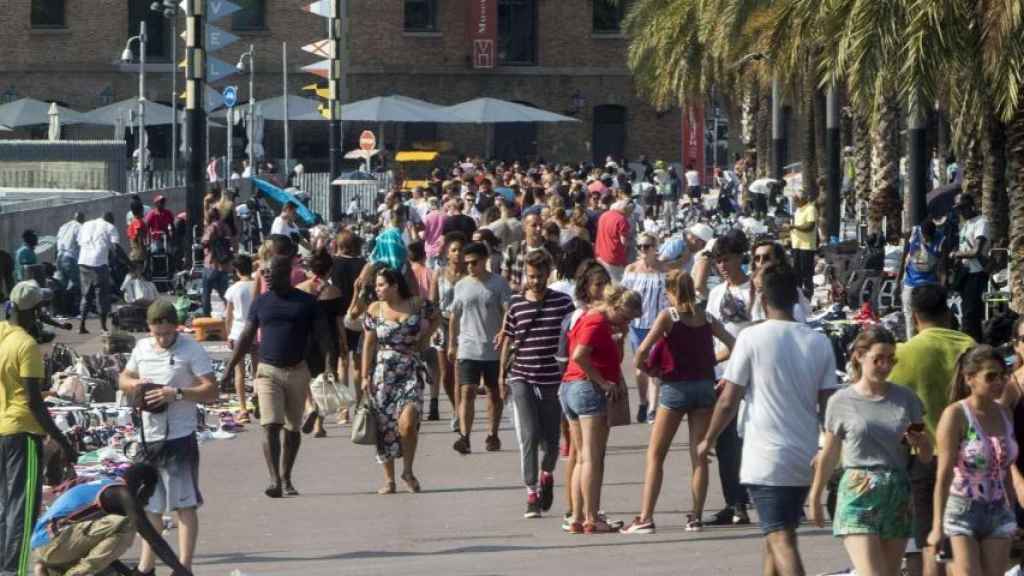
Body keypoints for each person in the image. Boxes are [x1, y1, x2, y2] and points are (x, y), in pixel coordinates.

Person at [697, 265, 838, 576]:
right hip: (804, 455)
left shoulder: (751, 338)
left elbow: (728, 399)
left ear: (761, 299)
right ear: (796, 300)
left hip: (765, 457)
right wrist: (831, 449)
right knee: (774, 536)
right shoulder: (818, 342)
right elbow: (829, 405)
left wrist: (708, 438)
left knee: (780, 537)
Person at [808, 326, 931, 576]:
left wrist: (920, 441)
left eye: (891, 359)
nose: (885, 366)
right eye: (879, 359)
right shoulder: (841, 401)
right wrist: (815, 496)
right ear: (859, 356)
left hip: (897, 491)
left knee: (890, 573)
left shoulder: (906, 398)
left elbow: (925, 454)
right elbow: (830, 452)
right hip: (858, 490)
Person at [622, 270, 735, 534]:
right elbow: (732, 344)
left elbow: (641, 351)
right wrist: (711, 360)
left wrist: (651, 371)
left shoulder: (669, 317)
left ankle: (646, 516)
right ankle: (695, 516)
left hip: (675, 388)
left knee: (656, 454)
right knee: (699, 455)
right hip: (704, 387)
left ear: (670, 291)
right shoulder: (706, 317)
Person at [221, 255, 337, 499]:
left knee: (292, 429)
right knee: (270, 425)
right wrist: (230, 367)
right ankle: (274, 479)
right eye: (264, 273)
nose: (266, 276)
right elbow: (246, 335)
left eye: (270, 272)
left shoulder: (306, 303)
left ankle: (286, 477)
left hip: (297, 371)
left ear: (286, 273)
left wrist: (329, 366)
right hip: (267, 372)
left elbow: (324, 336)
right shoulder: (261, 302)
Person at [117, 300, 218, 575]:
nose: (162, 338)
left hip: (179, 437)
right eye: (156, 332)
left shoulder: (191, 349)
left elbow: (211, 390)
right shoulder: (142, 347)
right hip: (148, 438)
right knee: (151, 508)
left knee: (184, 506)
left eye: (167, 332)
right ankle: (146, 566)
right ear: (149, 328)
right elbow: (123, 377)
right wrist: (135, 386)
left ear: (176, 326)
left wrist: (178, 393)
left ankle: (183, 567)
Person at [886, 284, 975, 576]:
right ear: (948, 314)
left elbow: (894, 411)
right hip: (970, 459)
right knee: (964, 540)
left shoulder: (904, 354)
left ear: (914, 317)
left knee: (929, 542)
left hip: (925, 459)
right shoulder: (970, 347)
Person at [0, 282, 76, 576]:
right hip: (23, 434)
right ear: (35, 312)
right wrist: (61, 441)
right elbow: (33, 401)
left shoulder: (3, 335)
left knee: (5, 506)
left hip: (2, 429)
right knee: (22, 509)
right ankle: (14, 572)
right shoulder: (27, 346)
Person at [930, 345, 1017, 576]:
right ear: (970, 378)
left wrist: (1014, 511)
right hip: (961, 509)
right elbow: (944, 474)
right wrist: (937, 525)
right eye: (991, 376)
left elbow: (1005, 470)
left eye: (1003, 375)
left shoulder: (1005, 413)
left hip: (999, 510)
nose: (999, 382)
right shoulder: (956, 415)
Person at [500, 250, 574, 519]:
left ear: (548, 274)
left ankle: (547, 474)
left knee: (552, 441)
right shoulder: (516, 304)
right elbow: (508, 340)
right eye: (531, 276)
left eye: (540, 276)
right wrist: (501, 376)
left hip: (553, 379)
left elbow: (572, 335)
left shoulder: (564, 303)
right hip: (522, 376)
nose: (535, 281)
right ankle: (531, 493)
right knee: (529, 435)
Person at [562, 285, 642, 533]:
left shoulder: (596, 320)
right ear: (615, 306)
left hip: (572, 388)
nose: (627, 321)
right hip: (586, 390)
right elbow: (579, 355)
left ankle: (576, 517)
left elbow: (611, 359)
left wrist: (620, 334)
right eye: (626, 316)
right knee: (592, 459)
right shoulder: (596, 322)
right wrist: (602, 382)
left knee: (582, 457)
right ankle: (590, 517)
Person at [30, 465, 192, 576]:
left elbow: (104, 547)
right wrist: (182, 571)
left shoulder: (108, 487)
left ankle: (51, 568)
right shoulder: (120, 495)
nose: (148, 500)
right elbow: (154, 540)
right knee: (129, 523)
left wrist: (126, 572)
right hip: (52, 545)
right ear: (142, 486)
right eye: (149, 494)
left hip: (50, 545)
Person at [362, 267, 439, 494]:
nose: (378, 289)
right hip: (383, 373)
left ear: (395, 285)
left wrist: (424, 339)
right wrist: (365, 376)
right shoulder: (375, 309)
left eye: (382, 285)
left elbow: (437, 317)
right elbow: (368, 344)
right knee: (384, 425)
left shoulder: (417, 304)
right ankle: (389, 479)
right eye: (376, 285)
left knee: (408, 422)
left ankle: (408, 470)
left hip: (410, 368)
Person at [703, 229, 753, 526]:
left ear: (739, 259)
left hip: (751, 376)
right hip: (721, 376)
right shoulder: (716, 293)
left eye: (726, 259)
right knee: (725, 443)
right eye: (717, 261)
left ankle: (755, 497)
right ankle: (734, 504)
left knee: (750, 439)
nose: (722, 265)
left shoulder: (753, 291)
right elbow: (709, 330)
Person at [449, 242, 512, 454]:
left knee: (494, 393)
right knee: (467, 390)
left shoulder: (499, 284)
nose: (469, 267)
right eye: (466, 263)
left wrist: (505, 335)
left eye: (474, 262)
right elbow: (454, 316)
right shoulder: (461, 285)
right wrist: (451, 343)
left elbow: (508, 311)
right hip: (468, 347)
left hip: (493, 348)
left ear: (485, 261)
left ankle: (492, 434)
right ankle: (464, 437)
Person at [297, 249, 349, 438]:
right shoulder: (334, 292)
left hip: (305, 339)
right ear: (330, 270)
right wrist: (343, 345)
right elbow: (339, 322)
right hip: (328, 341)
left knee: (305, 377)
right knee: (323, 381)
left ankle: (309, 406)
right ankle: (319, 425)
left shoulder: (300, 289)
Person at [621, 233, 668, 423]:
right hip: (637, 326)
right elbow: (624, 296)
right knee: (640, 368)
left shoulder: (664, 270)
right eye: (639, 246)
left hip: (657, 325)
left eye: (647, 246)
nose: (642, 250)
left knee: (654, 367)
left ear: (655, 247)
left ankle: (652, 408)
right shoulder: (631, 269)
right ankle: (642, 402)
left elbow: (669, 296)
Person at [429, 232, 467, 432]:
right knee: (446, 374)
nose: (457, 254)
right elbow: (432, 303)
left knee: (460, 372)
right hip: (442, 323)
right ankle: (455, 407)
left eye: (460, 250)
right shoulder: (439, 273)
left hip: (463, 325)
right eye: (454, 250)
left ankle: (460, 413)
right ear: (447, 253)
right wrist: (433, 326)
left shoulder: (470, 275)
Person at [332, 230, 367, 422]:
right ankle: (360, 405)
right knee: (358, 363)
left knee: (342, 363)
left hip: (338, 315)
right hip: (358, 315)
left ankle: (343, 409)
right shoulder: (362, 264)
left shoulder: (333, 263)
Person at [949, 194, 989, 341]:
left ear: (971, 206)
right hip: (965, 273)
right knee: (967, 313)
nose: (960, 212)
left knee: (971, 314)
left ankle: (973, 344)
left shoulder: (981, 222)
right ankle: (976, 344)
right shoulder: (965, 225)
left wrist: (957, 254)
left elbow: (976, 251)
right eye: (958, 209)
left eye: (962, 208)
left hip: (977, 273)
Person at [224, 254, 257, 423]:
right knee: (258, 371)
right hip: (256, 332)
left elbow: (228, 315)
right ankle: (259, 402)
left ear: (236, 270)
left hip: (238, 332)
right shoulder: (258, 286)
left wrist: (228, 334)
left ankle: (243, 408)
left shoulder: (233, 289)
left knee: (239, 372)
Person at [898, 219, 944, 339]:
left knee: (928, 316)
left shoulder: (941, 241)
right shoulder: (913, 234)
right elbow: (903, 257)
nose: (927, 240)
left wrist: (942, 289)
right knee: (909, 316)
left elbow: (943, 267)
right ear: (922, 233)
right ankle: (911, 341)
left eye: (930, 237)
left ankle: (929, 340)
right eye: (926, 237)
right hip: (910, 282)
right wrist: (898, 281)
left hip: (929, 284)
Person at [76, 212, 119, 335]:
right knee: (102, 295)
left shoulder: (86, 225)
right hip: (99, 264)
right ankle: (103, 327)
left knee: (86, 295)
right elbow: (116, 248)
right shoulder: (110, 227)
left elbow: (80, 243)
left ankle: (81, 326)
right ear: (110, 220)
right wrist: (129, 264)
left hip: (83, 262)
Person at [502, 213, 554, 293]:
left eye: (541, 225)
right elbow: (504, 279)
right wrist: (517, 288)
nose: (538, 229)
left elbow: (554, 279)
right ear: (524, 228)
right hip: (518, 298)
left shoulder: (551, 251)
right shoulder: (513, 249)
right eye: (534, 225)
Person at [200, 208, 232, 318]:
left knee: (206, 293)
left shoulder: (212, 227)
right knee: (225, 293)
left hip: (211, 263)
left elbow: (205, 241)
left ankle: (206, 316)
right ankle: (230, 314)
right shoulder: (225, 226)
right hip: (224, 265)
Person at [594, 200, 631, 283]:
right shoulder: (622, 220)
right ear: (625, 209)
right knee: (618, 286)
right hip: (615, 258)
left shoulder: (603, 215)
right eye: (630, 212)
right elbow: (624, 242)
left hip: (600, 255)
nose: (630, 215)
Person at [790, 189, 818, 298]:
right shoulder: (798, 210)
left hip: (806, 246)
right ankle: (798, 296)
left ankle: (807, 297)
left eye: (796, 200)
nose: (795, 202)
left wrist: (794, 227)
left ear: (802, 199)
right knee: (797, 274)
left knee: (806, 274)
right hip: (796, 246)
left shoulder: (810, 209)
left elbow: (809, 227)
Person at [55, 213, 85, 310]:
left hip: (59, 257)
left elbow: (57, 243)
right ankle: (76, 308)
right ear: (81, 219)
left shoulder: (63, 226)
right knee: (77, 283)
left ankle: (62, 309)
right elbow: (81, 243)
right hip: (70, 258)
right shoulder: (79, 227)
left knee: (62, 284)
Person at [126, 205, 149, 275]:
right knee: (138, 276)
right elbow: (139, 238)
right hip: (139, 255)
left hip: (134, 254)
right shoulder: (139, 222)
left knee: (133, 275)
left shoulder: (132, 223)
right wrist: (144, 253)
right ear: (140, 211)